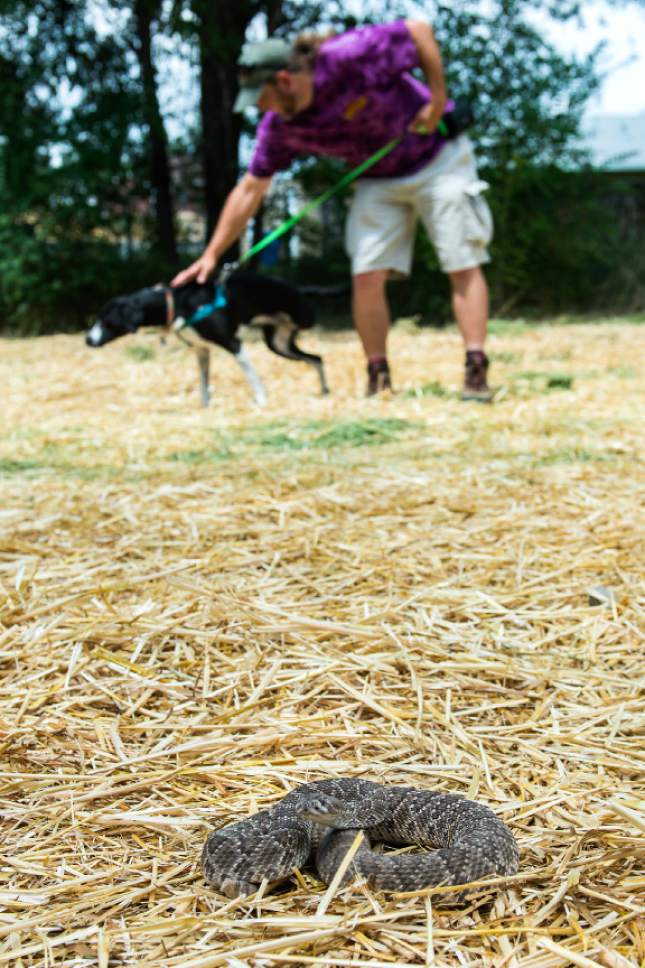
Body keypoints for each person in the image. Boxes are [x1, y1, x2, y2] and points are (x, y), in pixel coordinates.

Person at [172, 20, 494, 400]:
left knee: (460, 262)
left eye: (263, 96)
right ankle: (379, 378)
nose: (262, 108)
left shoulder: (347, 57)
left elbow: (419, 30)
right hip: (377, 178)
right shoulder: (280, 129)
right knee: (366, 274)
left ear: (285, 80)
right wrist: (211, 255)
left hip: (438, 158)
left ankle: (475, 368)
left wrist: (437, 100)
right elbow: (249, 189)